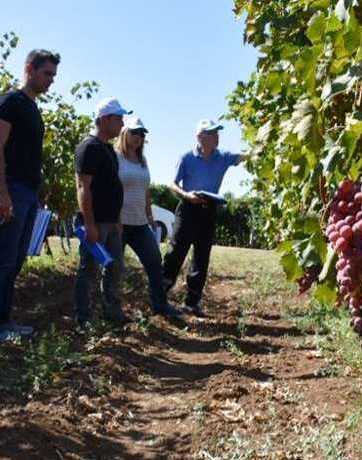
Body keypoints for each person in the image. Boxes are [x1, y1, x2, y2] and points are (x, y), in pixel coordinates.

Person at [0, 49, 59, 344]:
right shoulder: (10, 102)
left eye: (53, 75)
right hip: (11, 189)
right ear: (29, 69)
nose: (51, 81)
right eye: (47, 73)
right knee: (3, 256)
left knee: (16, 259)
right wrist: (2, 192)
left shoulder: (33, 108)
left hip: (28, 193)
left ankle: (3, 320)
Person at [162, 119, 246, 316]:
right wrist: (186, 195)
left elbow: (243, 157)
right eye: (212, 133)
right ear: (200, 137)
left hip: (209, 211)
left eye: (217, 133)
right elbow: (172, 184)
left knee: (201, 257)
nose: (216, 137)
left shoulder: (223, 157)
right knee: (176, 253)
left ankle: (192, 302)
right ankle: (159, 295)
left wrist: (259, 149)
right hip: (188, 209)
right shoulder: (186, 158)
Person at [115, 117, 181, 317]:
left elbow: (146, 191)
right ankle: (111, 309)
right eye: (134, 132)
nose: (138, 137)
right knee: (115, 267)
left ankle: (160, 304)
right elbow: (110, 188)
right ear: (125, 133)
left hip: (140, 223)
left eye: (142, 134)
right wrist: (114, 218)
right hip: (119, 223)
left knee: (154, 260)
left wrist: (150, 217)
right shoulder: (115, 157)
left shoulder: (142, 161)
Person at [73, 98, 130, 326]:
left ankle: (112, 312)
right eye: (119, 119)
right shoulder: (89, 148)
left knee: (114, 268)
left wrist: (116, 219)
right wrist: (90, 224)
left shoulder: (107, 149)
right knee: (89, 270)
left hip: (110, 222)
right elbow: (83, 187)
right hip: (95, 223)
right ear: (105, 119)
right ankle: (83, 318)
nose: (122, 124)